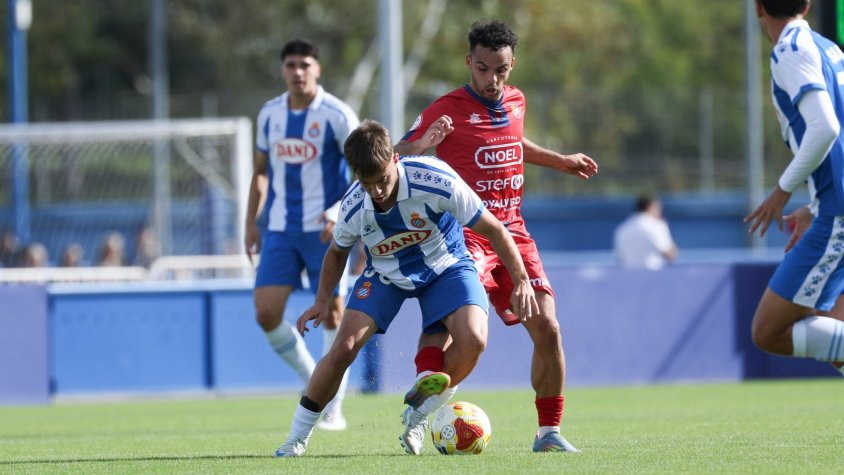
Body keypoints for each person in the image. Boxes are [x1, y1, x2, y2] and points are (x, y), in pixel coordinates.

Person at [275, 120, 538, 457]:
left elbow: (495, 230)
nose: (377, 192)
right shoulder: (354, 204)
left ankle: (419, 414)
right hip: (385, 274)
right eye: (367, 184)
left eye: (383, 180)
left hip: (446, 265)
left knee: (475, 339)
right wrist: (322, 300)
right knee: (343, 348)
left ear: (395, 159)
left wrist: (521, 280)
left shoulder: (437, 181)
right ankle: (296, 438)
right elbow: (337, 252)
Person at [394, 19, 597, 453]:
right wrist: (424, 142)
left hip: (514, 232)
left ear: (512, 64)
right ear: (469, 62)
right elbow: (394, 152)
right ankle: (421, 406)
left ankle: (549, 433)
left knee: (549, 330)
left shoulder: (517, 101)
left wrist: (561, 161)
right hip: (460, 233)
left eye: (501, 70)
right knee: (463, 334)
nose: (492, 79)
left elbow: (513, 141)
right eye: (483, 69)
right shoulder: (446, 108)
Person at [244, 39, 360, 431]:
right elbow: (260, 172)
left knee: (333, 313)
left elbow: (365, 170)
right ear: (282, 70)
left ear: (318, 70)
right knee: (265, 313)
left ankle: (334, 408)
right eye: (291, 64)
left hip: (326, 231)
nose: (298, 72)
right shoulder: (269, 115)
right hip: (278, 228)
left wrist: (337, 213)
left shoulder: (337, 115)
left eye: (305, 65)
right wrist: (249, 222)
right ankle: (315, 379)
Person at [745, 0, 844, 376]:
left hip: (838, 211)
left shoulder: (791, 49)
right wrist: (814, 205)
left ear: (758, 7)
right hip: (832, 205)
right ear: (806, 4)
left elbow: (826, 129)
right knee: (825, 323)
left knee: (769, 331)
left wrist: (783, 190)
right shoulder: (828, 47)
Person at [613, 194, 678, 270]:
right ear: (651, 207)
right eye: (658, 208)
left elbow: (620, 258)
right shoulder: (656, 226)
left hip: (629, 278)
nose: (660, 212)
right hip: (652, 278)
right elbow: (670, 255)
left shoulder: (622, 228)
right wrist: (665, 231)